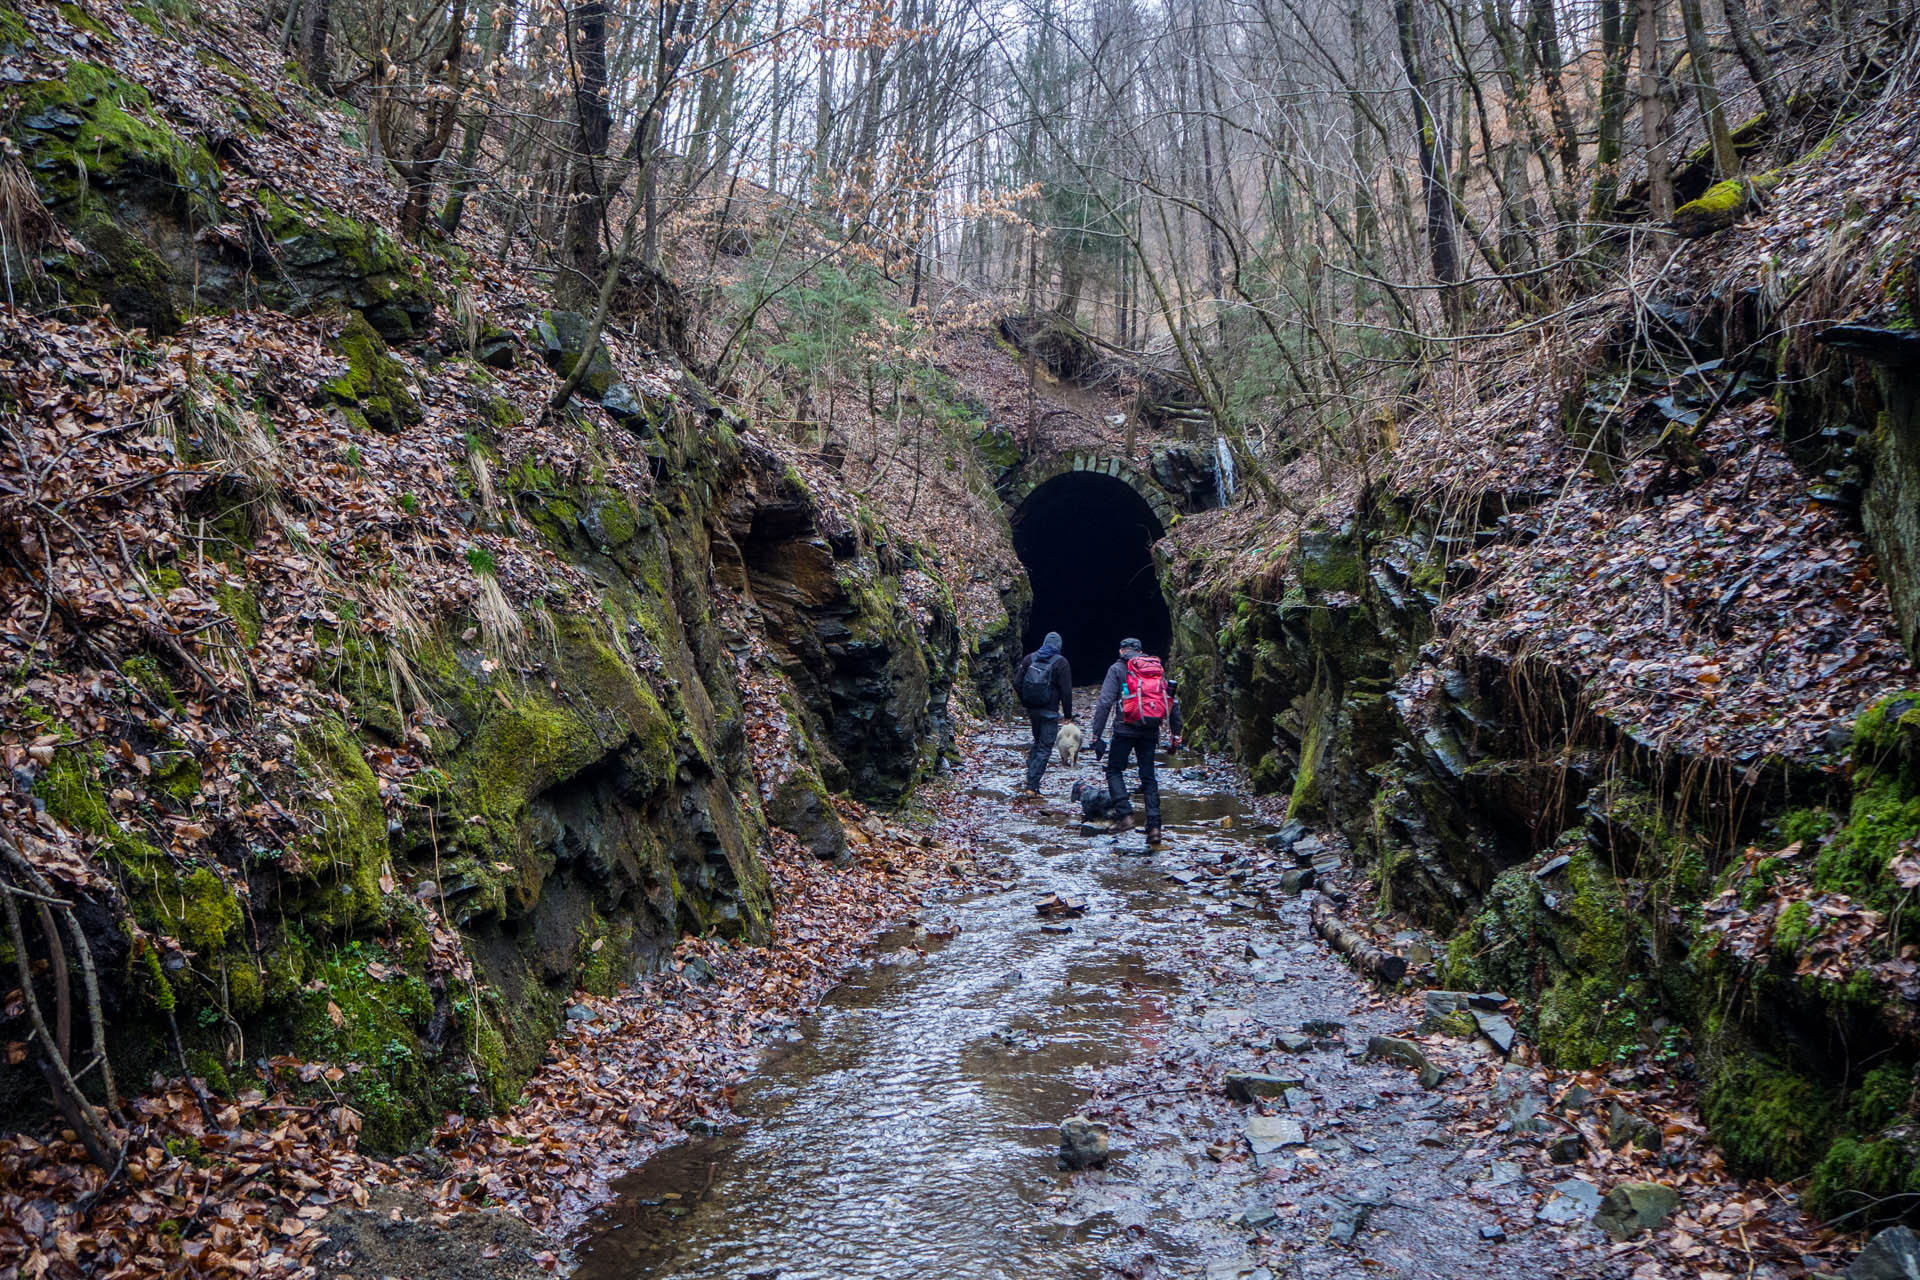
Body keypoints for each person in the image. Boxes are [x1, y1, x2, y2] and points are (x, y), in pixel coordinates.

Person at [1089, 638, 1182, 843]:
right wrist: (1176, 733)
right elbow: (1171, 702)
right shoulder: (1155, 670)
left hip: (1124, 730)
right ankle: (1155, 827)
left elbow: (1105, 703)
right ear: (1141, 651)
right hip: (1150, 730)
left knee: (1114, 770)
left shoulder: (1117, 669)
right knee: (1148, 777)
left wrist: (1097, 735)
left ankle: (1125, 815)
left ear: (1121, 650)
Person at [1012, 630, 1073, 795]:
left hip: (1033, 711)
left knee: (1038, 742)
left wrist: (1026, 701)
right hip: (1050, 712)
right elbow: (1066, 692)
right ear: (1059, 646)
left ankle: (1030, 776)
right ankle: (1032, 786)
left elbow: (1017, 682)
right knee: (1045, 747)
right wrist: (1068, 715)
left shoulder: (1029, 658)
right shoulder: (1061, 663)